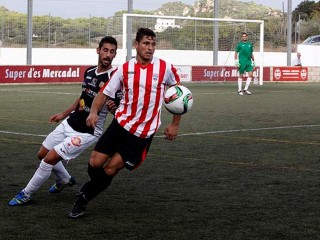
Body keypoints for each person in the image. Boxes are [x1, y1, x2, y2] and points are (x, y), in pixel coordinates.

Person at [68, 27, 182, 218]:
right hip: (120, 124)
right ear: (136, 45)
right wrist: (94, 112)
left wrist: (175, 124)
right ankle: (94, 185)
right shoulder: (125, 68)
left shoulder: (165, 68)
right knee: (94, 163)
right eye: (146, 43)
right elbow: (104, 93)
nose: (150, 48)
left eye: (153, 44)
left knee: (111, 168)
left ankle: (84, 198)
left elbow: (179, 96)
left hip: (142, 134)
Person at [8, 36, 118, 206]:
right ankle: (65, 180)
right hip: (71, 122)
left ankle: (26, 193)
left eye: (112, 52)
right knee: (42, 154)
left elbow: (118, 106)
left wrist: (113, 108)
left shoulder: (115, 78)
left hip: (88, 131)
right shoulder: (89, 71)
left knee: (49, 159)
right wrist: (64, 113)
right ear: (98, 50)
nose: (108, 55)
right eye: (105, 50)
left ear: (115, 55)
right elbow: (82, 98)